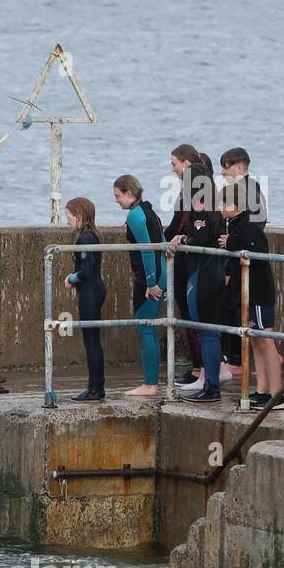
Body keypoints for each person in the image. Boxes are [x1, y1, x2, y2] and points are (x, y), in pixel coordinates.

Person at [219, 181, 284, 410]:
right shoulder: (235, 224)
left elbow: (257, 252)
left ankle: (277, 394)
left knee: (266, 342)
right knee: (255, 342)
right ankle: (262, 390)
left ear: (234, 205)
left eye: (222, 203)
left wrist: (232, 243)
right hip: (246, 291)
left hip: (257, 292)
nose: (220, 208)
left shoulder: (248, 225)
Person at [172, 164, 227, 404]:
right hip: (214, 270)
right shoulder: (215, 202)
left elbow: (202, 237)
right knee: (209, 331)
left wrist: (183, 238)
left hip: (202, 272)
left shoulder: (199, 203)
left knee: (205, 332)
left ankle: (211, 387)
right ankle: (210, 384)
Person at [112, 175, 166, 397]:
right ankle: (151, 382)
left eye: (118, 196)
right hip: (160, 271)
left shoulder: (135, 215)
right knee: (150, 329)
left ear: (129, 194)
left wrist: (151, 283)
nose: (116, 201)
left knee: (146, 328)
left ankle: (150, 384)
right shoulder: (148, 209)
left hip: (150, 277)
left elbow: (147, 249)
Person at [165, 144, 207, 390]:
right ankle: (199, 367)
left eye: (174, 164)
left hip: (190, 260)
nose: (172, 169)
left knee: (192, 315)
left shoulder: (194, 194)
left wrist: (163, 238)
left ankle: (199, 368)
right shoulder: (195, 191)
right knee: (192, 316)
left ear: (187, 165)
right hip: (189, 258)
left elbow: (180, 225)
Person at [62, 197, 105, 401]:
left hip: (90, 292)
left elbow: (86, 271)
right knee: (93, 340)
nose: (67, 222)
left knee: (91, 342)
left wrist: (71, 278)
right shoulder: (93, 235)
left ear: (78, 216)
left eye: (68, 217)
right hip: (94, 289)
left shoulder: (85, 239)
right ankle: (95, 386)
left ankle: (95, 388)